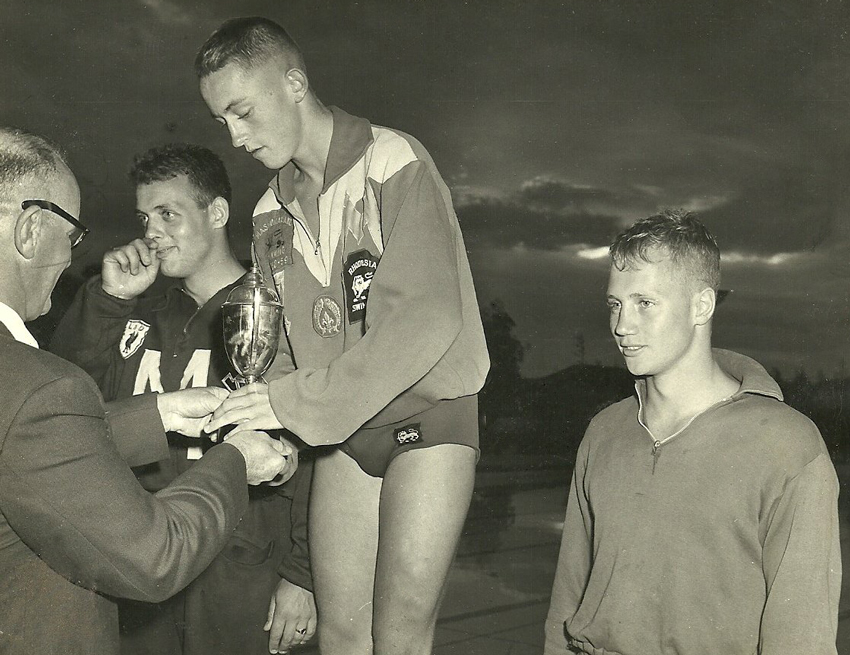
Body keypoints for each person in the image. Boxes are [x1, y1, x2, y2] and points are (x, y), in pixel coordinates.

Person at [194, 17, 490, 655]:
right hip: (345, 433)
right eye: (222, 122)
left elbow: (426, 316)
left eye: (243, 112)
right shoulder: (268, 212)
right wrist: (266, 417)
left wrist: (291, 402)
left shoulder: (392, 160)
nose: (235, 136)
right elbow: (282, 346)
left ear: (294, 84)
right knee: (342, 635)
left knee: (399, 633)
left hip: (428, 416)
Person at [0, 126, 294, 655]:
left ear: (218, 213)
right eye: (144, 218)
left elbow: (315, 444)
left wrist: (304, 574)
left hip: (233, 564)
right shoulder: (134, 313)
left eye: (168, 214)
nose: (152, 232)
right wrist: (108, 302)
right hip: (138, 556)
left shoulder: (268, 312)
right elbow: (59, 401)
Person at [544, 209, 841, 655]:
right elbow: (567, 602)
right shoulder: (604, 432)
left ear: (702, 306)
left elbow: (801, 641)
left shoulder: (787, 446)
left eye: (645, 303)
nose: (622, 326)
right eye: (615, 304)